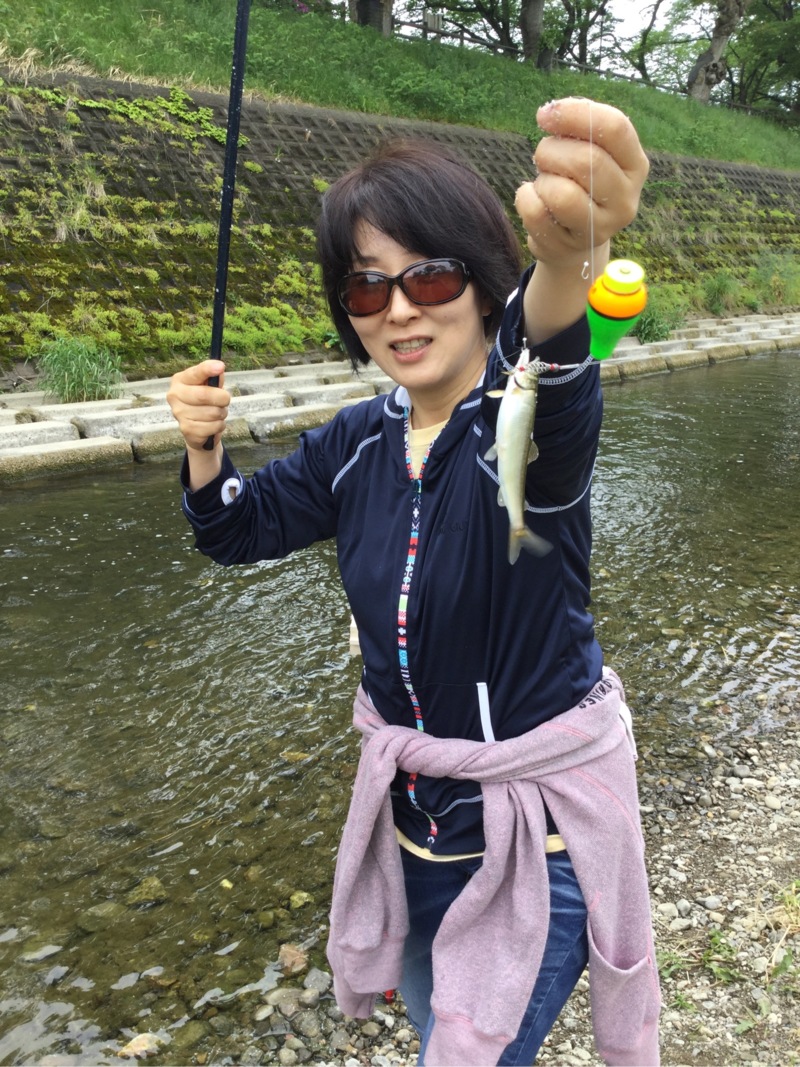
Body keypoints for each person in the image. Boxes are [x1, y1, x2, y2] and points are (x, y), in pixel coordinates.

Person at [167, 97, 659, 1067]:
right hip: (415, 835)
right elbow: (232, 526)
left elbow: (549, 362)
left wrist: (562, 260)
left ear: (480, 284)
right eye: (364, 289)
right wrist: (202, 446)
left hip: (534, 837)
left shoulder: (518, 428)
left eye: (427, 275)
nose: (397, 307)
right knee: (435, 1025)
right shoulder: (352, 444)